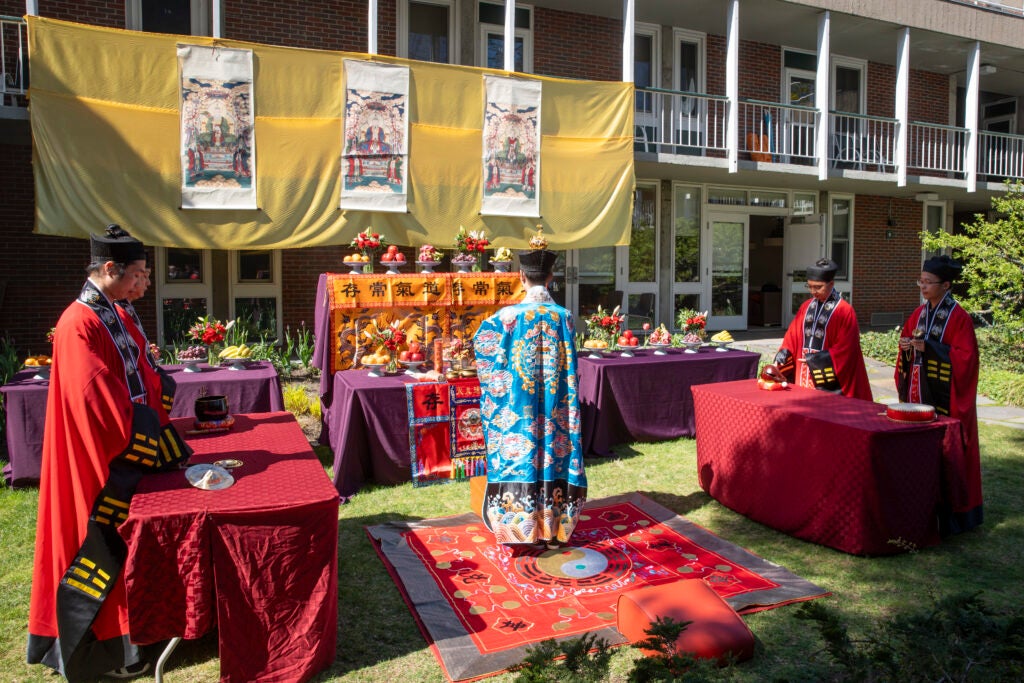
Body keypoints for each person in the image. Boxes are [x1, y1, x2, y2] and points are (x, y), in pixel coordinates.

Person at [27, 225, 192, 681]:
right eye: (137, 273)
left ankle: (136, 636)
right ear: (108, 269)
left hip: (120, 448)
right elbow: (94, 398)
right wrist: (141, 428)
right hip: (98, 460)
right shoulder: (78, 323)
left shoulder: (113, 312)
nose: (144, 282)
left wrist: (158, 393)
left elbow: (140, 370)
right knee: (101, 544)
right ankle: (106, 649)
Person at [472, 234, 587, 549]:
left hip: (518, 404)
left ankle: (518, 528)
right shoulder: (565, 317)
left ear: (521, 276)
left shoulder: (506, 317)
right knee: (554, 452)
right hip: (555, 403)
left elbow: (482, 348)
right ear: (551, 277)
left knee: (518, 453)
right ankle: (554, 528)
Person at [896, 255, 982, 534]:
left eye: (927, 282)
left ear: (946, 285)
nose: (922, 286)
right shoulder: (919, 314)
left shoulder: (959, 317)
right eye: (920, 280)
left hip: (944, 397)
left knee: (945, 452)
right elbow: (909, 344)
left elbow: (966, 359)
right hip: (918, 390)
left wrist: (929, 348)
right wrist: (906, 346)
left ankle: (951, 513)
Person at [772, 258, 872, 400]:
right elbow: (792, 335)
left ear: (831, 284)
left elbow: (847, 349)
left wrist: (815, 360)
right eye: (810, 286)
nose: (813, 291)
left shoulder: (844, 311)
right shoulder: (806, 307)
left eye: (818, 287)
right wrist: (784, 352)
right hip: (803, 373)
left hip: (826, 377)